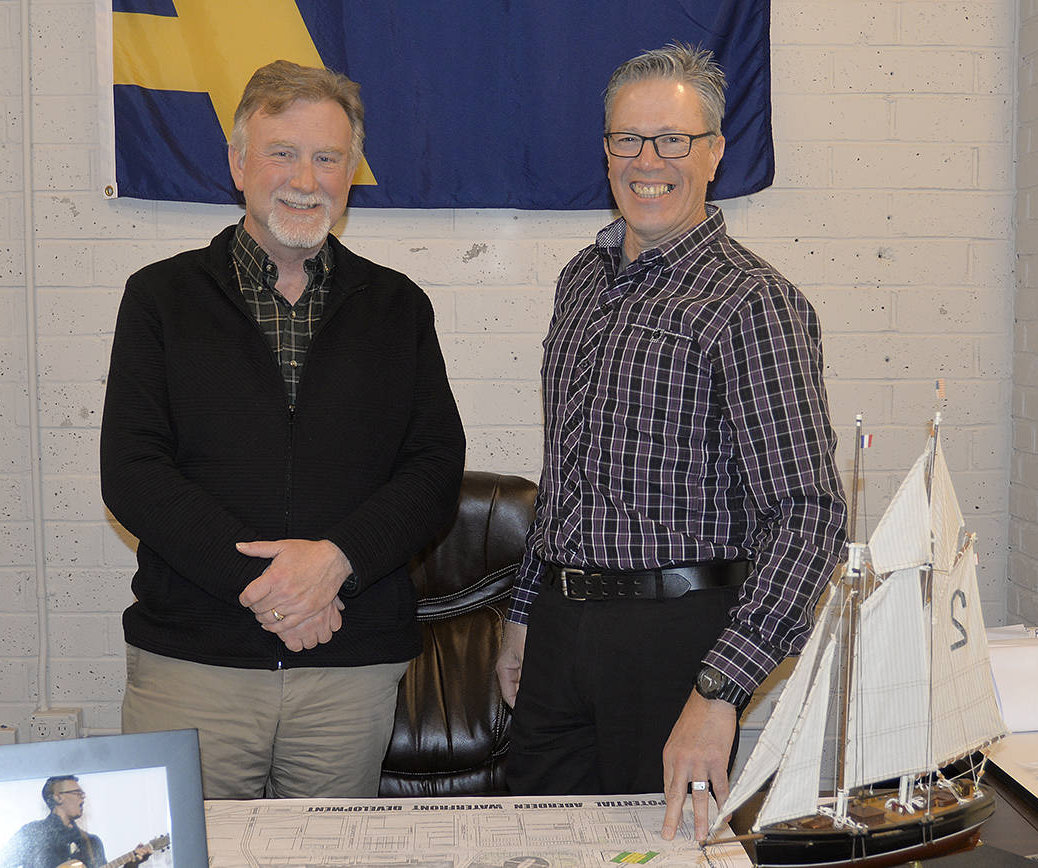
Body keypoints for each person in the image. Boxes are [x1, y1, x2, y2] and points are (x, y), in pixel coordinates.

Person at [495, 44, 846, 842]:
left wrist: (720, 690)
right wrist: (524, 615)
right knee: (540, 846)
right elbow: (566, 473)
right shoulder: (582, 280)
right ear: (606, 150)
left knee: (660, 853)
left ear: (715, 152)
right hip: (559, 628)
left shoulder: (753, 302)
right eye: (629, 139)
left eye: (673, 140)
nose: (648, 161)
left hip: (678, 642)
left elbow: (809, 514)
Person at [100, 60, 466, 799]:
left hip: (348, 668)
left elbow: (433, 468)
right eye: (282, 153)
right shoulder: (160, 298)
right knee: (187, 849)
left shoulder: (399, 307)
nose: (306, 178)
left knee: (332, 852)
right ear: (239, 164)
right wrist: (270, 587)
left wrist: (335, 563)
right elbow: (133, 473)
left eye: (328, 157)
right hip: (194, 665)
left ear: (351, 173)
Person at [0, 776, 151, 868]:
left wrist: (132, 864)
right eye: (77, 793)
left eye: (82, 794)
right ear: (58, 797)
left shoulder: (91, 842)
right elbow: (0, 864)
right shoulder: (32, 833)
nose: (83, 798)